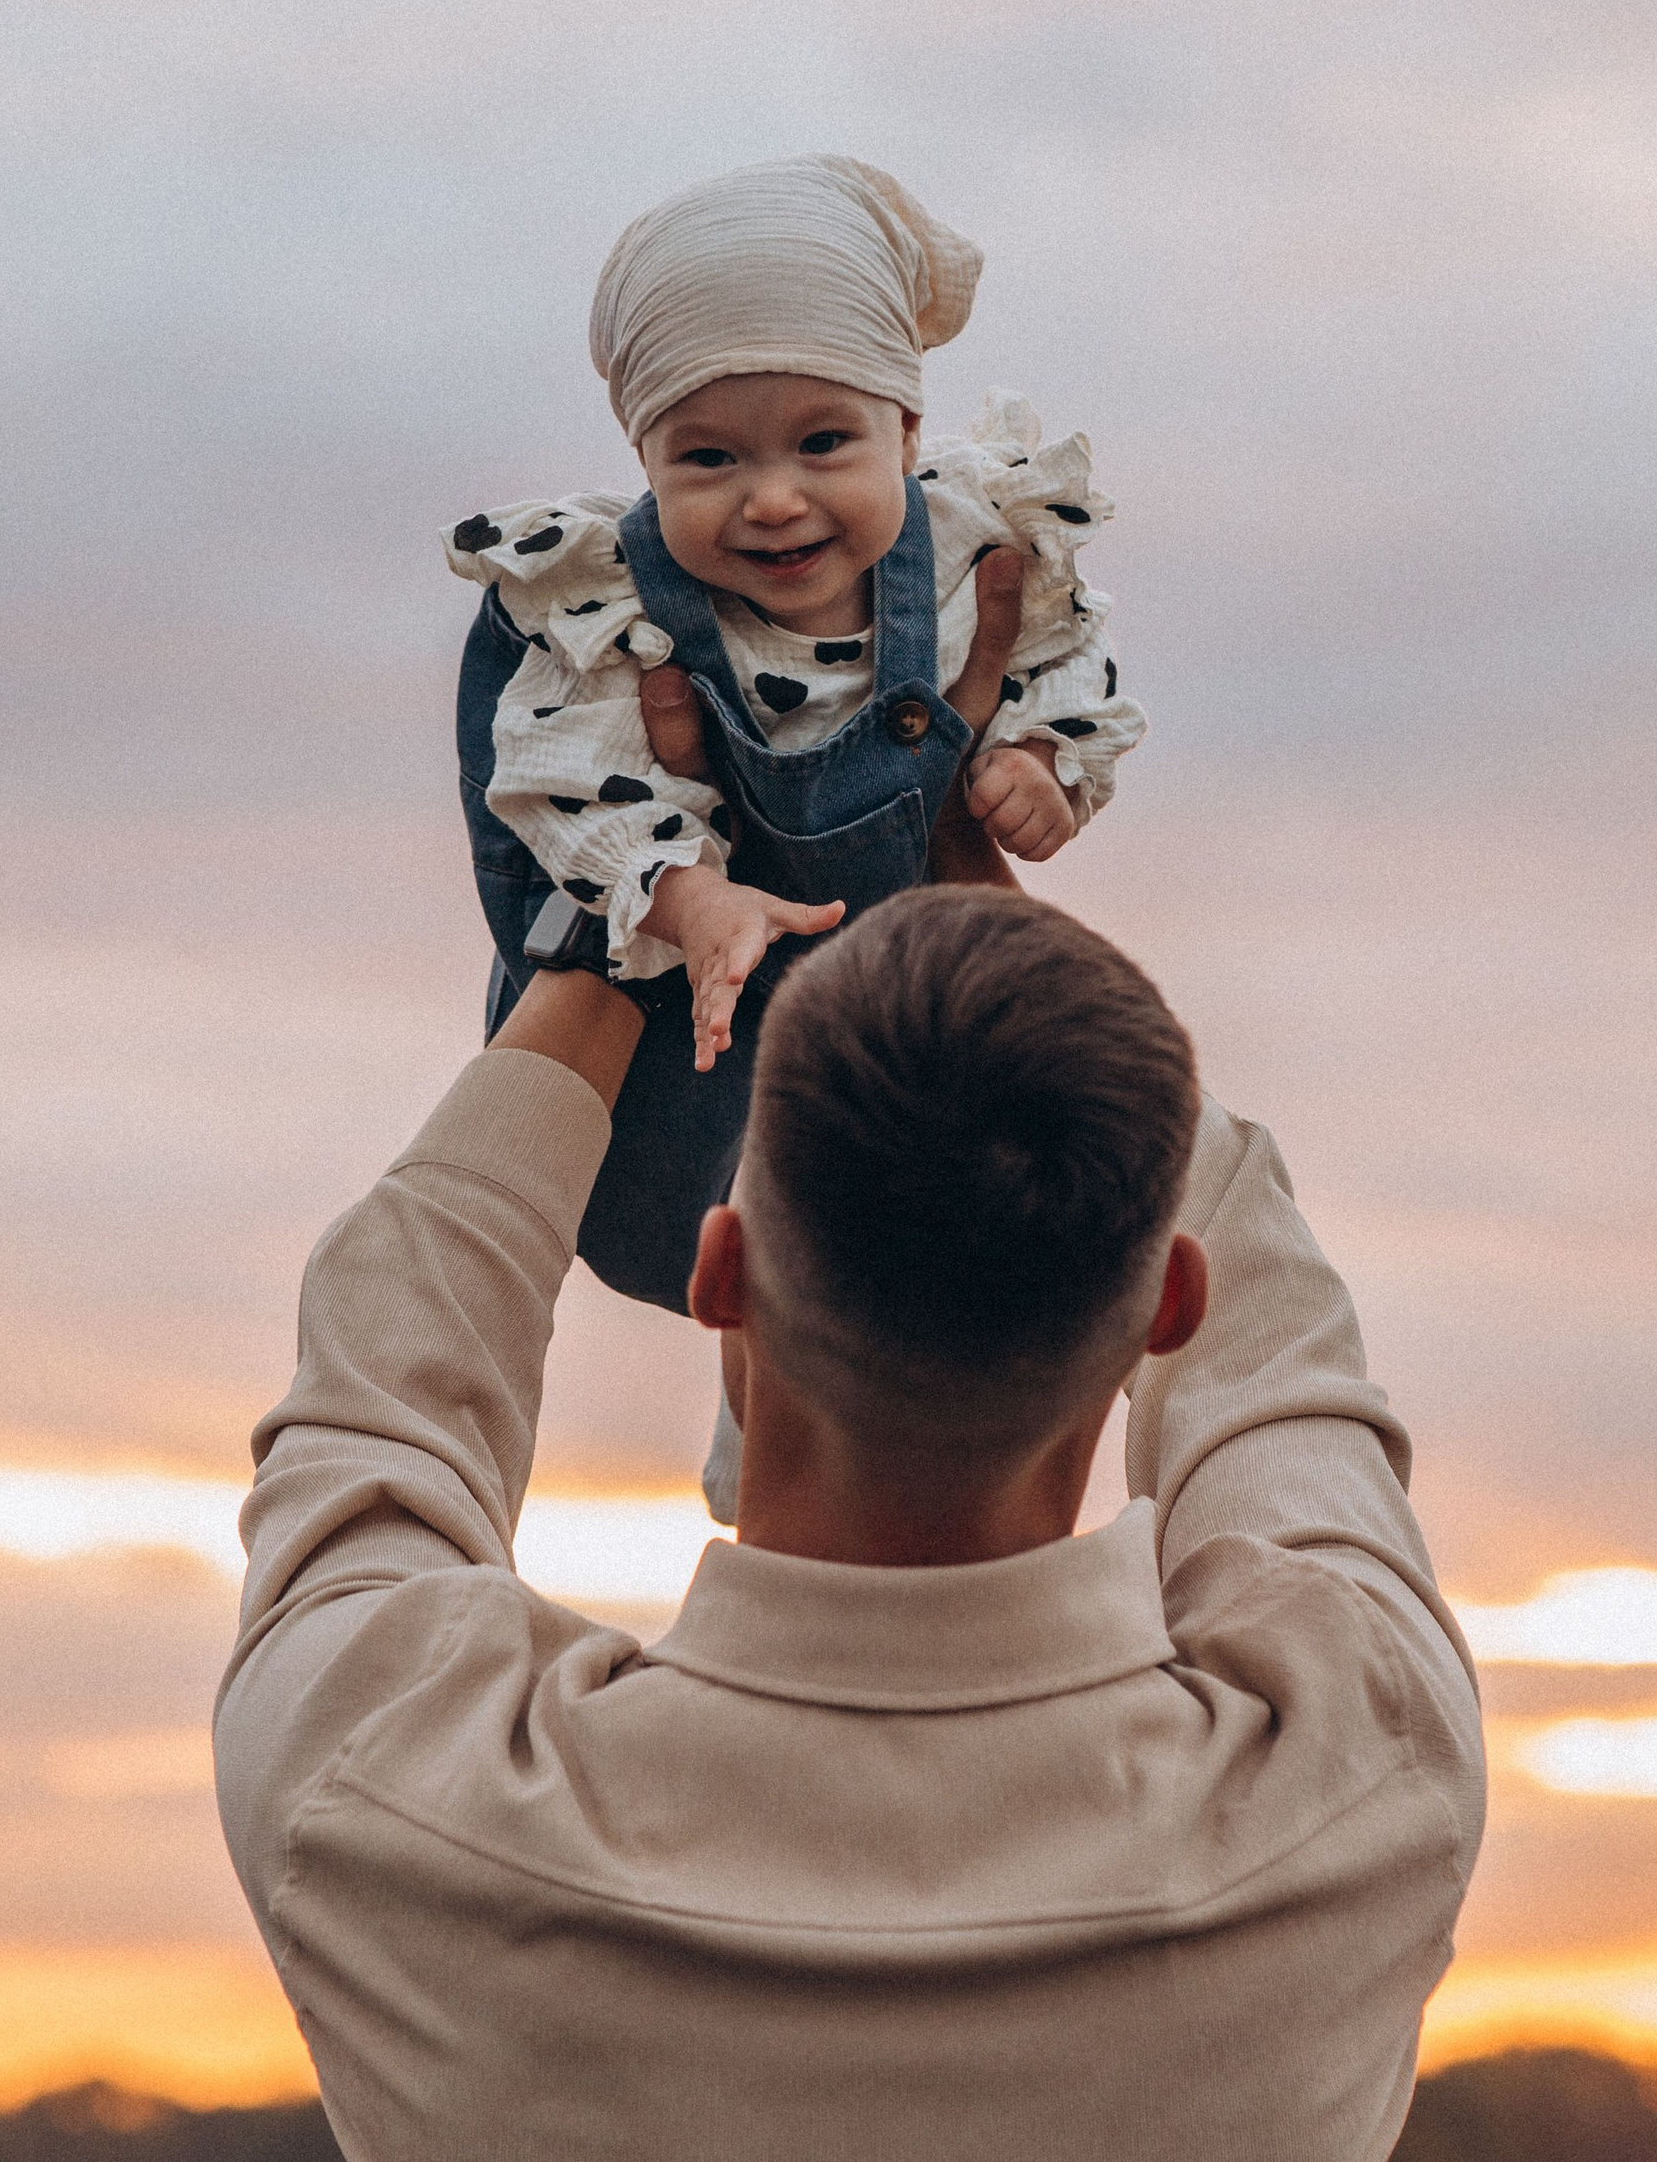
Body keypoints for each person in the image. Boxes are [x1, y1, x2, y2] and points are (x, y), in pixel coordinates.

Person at [203, 887, 1488, 2162]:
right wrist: (944, 835)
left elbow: (371, 1428)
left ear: (715, 1273)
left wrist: (599, 958)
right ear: (1153, 1303)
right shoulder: (1339, 1801)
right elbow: (1294, 1416)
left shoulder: (414, 1803)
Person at [448, 155, 1145, 1331]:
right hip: (684, 992)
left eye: (824, 443)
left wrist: (1038, 762)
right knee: (726, 1226)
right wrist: (682, 895)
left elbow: (1057, 656)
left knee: (888, 1236)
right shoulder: (617, 603)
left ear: (907, 429)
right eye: (709, 458)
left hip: (880, 971)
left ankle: (784, 1423)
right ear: (645, 461)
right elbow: (561, 780)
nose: (772, 498)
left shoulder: (976, 544)